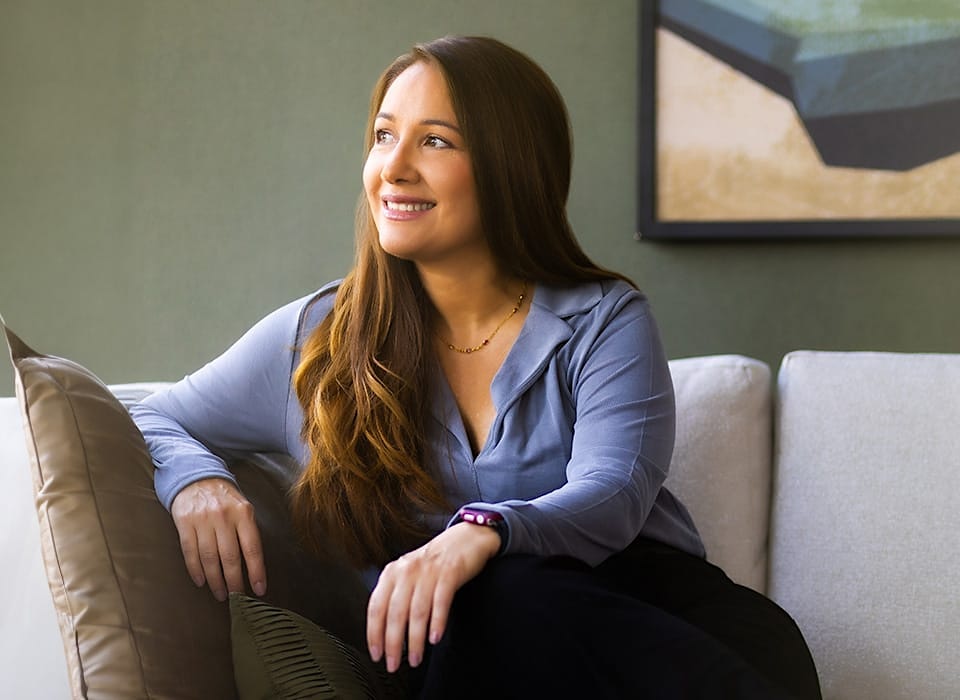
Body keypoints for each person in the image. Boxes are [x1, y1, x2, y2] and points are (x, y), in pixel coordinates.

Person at [130, 35, 821, 699]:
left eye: (435, 141)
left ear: (508, 167)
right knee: (484, 605)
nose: (394, 168)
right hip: (478, 644)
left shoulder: (603, 319)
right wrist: (196, 480)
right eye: (383, 135)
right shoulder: (319, 338)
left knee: (507, 590)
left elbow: (613, 491)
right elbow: (145, 414)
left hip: (668, 623)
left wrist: (483, 531)